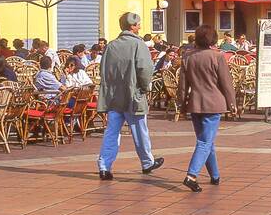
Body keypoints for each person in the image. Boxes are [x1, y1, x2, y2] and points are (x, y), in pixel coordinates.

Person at [96, 12, 163, 179]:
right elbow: (146, 70)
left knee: (111, 132)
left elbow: (102, 69)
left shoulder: (111, 45)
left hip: (113, 96)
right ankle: (147, 162)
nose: (140, 27)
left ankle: (104, 165)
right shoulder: (138, 45)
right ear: (132, 26)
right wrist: (144, 88)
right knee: (140, 130)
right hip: (133, 95)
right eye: (138, 24)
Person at [176, 24, 235, 192]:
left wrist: (181, 104)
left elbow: (182, 85)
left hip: (195, 103)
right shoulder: (218, 57)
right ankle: (191, 175)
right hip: (214, 104)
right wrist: (232, 104)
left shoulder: (187, 56)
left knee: (207, 141)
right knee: (204, 142)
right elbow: (226, 83)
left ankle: (215, 175)